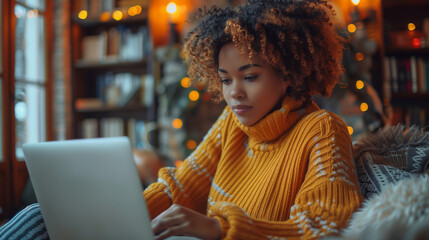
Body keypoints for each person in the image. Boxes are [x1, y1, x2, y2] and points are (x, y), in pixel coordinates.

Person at [0, 0, 363, 239]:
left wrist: (221, 228)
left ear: (288, 73)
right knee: (40, 216)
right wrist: (119, 212)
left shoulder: (322, 130)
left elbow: (325, 226)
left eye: (249, 77)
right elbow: (182, 184)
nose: (234, 92)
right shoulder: (232, 123)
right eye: (225, 79)